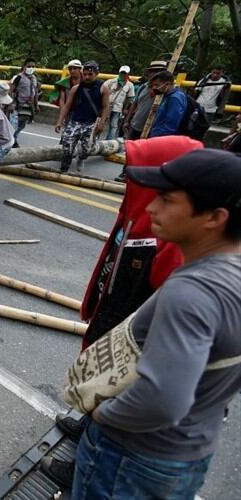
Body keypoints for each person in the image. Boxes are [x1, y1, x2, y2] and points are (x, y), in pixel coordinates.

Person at [71, 148, 241, 500]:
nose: (151, 208)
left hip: (131, 458)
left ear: (214, 217)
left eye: (166, 200)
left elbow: (163, 401)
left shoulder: (191, 292)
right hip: (189, 450)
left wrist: (105, 416)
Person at [55, 61, 110, 173]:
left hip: (91, 123)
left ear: (96, 74)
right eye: (84, 74)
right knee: (67, 145)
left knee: (87, 148)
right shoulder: (76, 88)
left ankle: (81, 159)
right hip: (75, 121)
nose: (86, 77)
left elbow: (105, 107)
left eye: (90, 74)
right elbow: (66, 106)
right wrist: (60, 121)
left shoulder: (103, 88)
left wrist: (102, 123)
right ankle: (64, 168)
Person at [123, 60, 168, 140]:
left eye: (159, 71)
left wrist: (161, 108)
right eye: (153, 71)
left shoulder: (166, 90)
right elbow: (134, 105)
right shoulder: (143, 87)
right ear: (149, 73)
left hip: (151, 130)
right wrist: (127, 121)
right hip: (135, 126)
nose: (156, 74)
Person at [9, 57, 40, 147]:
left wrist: (36, 105)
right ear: (24, 66)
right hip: (17, 105)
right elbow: (11, 91)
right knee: (14, 124)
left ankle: (14, 138)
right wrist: (10, 103)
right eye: (29, 66)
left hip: (29, 106)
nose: (31, 68)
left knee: (22, 125)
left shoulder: (34, 79)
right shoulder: (18, 77)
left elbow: (36, 92)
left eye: (33, 66)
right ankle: (12, 141)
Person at [148, 70, 187, 138]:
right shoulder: (167, 95)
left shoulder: (175, 98)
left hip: (160, 139)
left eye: (157, 85)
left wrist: (156, 139)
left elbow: (170, 126)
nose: (154, 88)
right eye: (153, 85)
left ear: (167, 84)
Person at [102, 65, 135, 140]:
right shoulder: (111, 81)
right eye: (121, 73)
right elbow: (102, 91)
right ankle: (96, 140)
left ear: (127, 74)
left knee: (113, 126)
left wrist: (125, 109)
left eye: (125, 73)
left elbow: (130, 98)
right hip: (107, 106)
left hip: (118, 108)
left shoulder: (130, 85)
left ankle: (109, 142)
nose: (123, 75)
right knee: (102, 123)